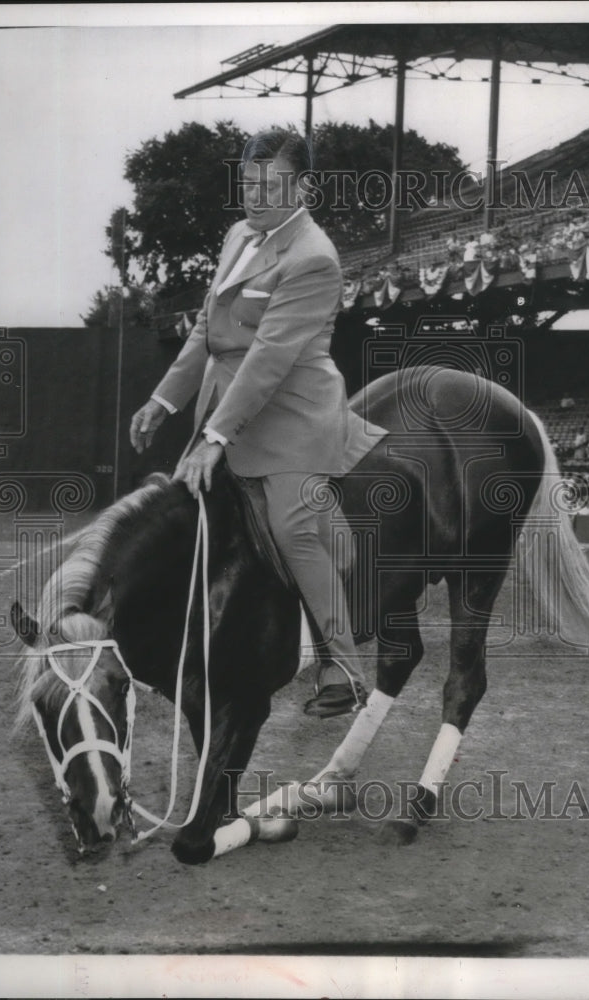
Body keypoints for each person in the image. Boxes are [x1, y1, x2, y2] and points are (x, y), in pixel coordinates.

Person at [130, 129, 388, 718]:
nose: (255, 195)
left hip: (294, 417)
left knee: (295, 529)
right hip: (228, 407)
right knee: (184, 520)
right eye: (248, 183)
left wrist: (215, 439)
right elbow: (207, 330)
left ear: (305, 186)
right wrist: (164, 401)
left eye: (270, 185)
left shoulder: (313, 256)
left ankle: (342, 669)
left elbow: (269, 357)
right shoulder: (237, 235)